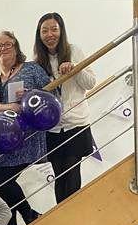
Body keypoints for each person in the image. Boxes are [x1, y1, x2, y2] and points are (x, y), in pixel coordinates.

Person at [0, 30, 51, 225]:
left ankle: (22, 220)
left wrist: (30, 97)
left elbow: (51, 94)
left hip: (26, 142)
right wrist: (8, 107)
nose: (3, 49)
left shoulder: (32, 70)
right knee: (0, 182)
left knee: (2, 182)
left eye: (8, 44)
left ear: (16, 48)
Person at [34, 13, 96, 203]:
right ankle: (62, 219)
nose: (50, 34)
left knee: (71, 172)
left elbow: (90, 83)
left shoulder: (74, 50)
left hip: (75, 124)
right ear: (39, 35)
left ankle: (71, 217)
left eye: (54, 29)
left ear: (61, 31)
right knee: (59, 177)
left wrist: (75, 68)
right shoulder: (37, 62)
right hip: (52, 128)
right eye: (44, 31)